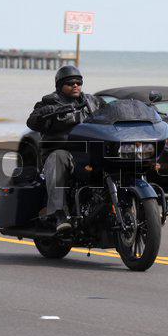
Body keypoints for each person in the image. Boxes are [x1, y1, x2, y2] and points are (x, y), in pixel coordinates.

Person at [26, 66, 106, 232]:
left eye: (78, 83)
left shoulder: (93, 101)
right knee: (58, 158)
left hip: (89, 152)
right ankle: (58, 213)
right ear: (60, 86)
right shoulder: (50, 102)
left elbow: (112, 112)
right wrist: (42, 114)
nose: (75, 85)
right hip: (63, 152)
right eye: (70, 83)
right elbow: (32, 122)